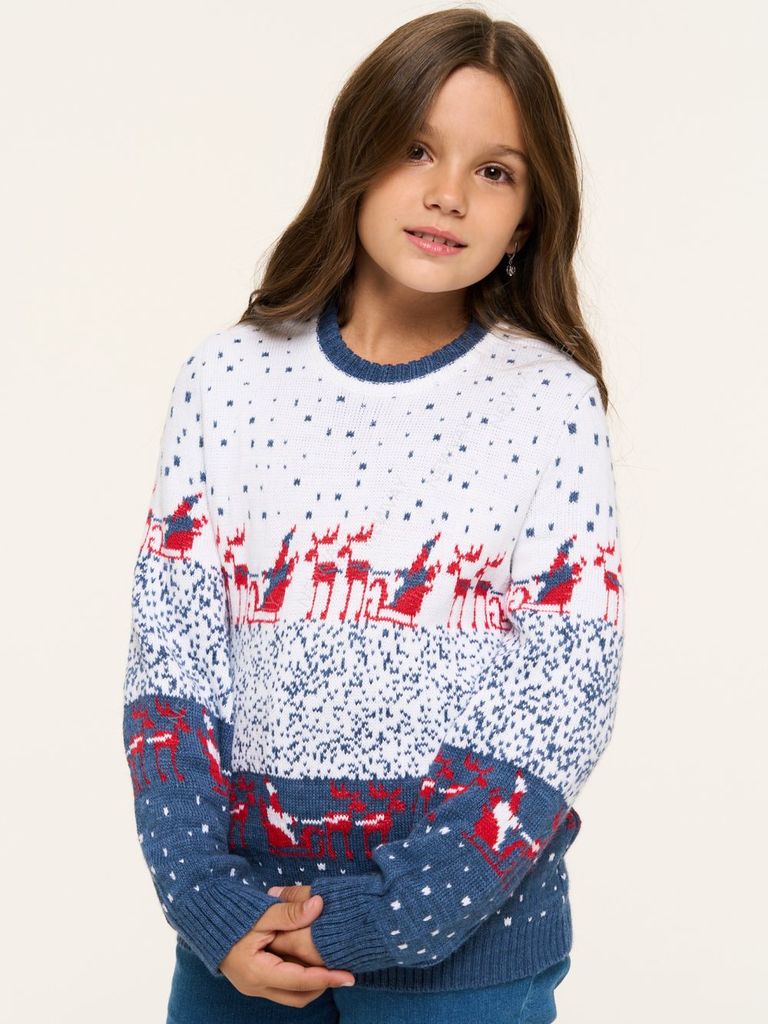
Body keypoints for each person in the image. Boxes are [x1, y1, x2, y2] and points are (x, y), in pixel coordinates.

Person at [122, 8, 626, 1022]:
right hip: (242, 950)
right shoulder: (227, 380)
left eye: (496, 171)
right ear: (355, 156)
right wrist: (210, 902)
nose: (449, 193)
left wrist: (387, 918)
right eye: (416, 149)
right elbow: (173, 668)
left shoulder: (550, 403)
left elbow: (559, 697)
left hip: (462, 965)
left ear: (529, 216)